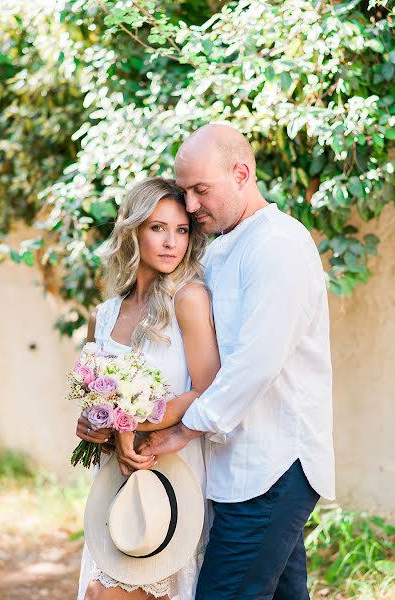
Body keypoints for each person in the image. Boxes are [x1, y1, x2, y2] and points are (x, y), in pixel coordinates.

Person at [138, 124, 336, 600]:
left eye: (200, 190)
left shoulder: (277, 244)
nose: (189, 205)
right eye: (183, 191)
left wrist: (184, 429)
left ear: (242, 174)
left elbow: (255, 362)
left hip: (271, 467)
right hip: (239, 466)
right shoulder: (226, 246)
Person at [75, 177, 220, 600]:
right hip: (115, 482)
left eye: (181, 230)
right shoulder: (103, 315)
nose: (172, 242)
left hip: (172, 475)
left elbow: (210, 391)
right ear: (133, 230)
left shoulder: (188, 299)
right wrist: (95, 425)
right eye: (158, 228)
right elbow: (93, 401)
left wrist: (139, 420)